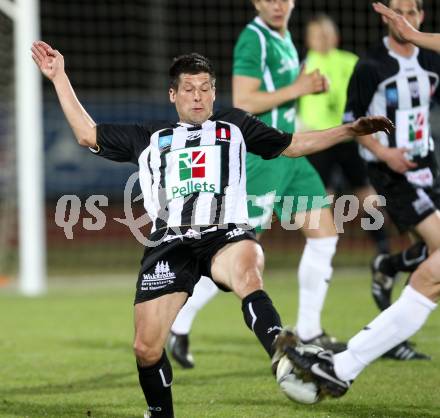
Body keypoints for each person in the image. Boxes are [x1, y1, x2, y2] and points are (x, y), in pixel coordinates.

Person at [31, 40, 391, 417]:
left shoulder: (234, 125)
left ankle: (283, 351)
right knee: (146, 348)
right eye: (188, 89)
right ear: (173, 95)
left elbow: (295, 144)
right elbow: (88, 134)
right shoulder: (149, 137)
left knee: (248, 268)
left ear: (215, 93)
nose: (198, 97)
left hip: (226, 231)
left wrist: (350, 130)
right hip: (170, 243)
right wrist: (59, 77)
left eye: (205, 88)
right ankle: (159, 413)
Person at [169, 0, 346, 369]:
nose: (277, 5)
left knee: (325, 233)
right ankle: (177, 324)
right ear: (256, 3)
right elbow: (244, 100)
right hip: (261, 160)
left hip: (289, 155)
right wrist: (299, 87)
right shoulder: (254, 39)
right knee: (238, 254)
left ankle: (310, 330)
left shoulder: (283, 38)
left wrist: (302, 91)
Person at [346, 0, 440, 361]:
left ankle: (389, 266)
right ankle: (388, 338)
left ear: (421, 17)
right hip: (389, 170)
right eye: (398, 11)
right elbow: (352, 121)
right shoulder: (370, 65)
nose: (405, 19)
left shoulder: (430, 60)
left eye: (412, 12)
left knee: (431, 258)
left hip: (426, 165)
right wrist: (385, 153)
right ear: (386, 18)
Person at [299, 14, 390, 255]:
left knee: (365, 191)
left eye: (327, 33)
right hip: (318, 139)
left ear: (336, 36)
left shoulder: (351, 61)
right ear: (309, 40)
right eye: (317, 35)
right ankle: (325, 247)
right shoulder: (302, 66)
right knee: (322, 196)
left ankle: (382, 245)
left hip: (350, 135)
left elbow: (372, 94)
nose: (323, 38)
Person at [373, 1, 440, 52]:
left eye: (411, 13)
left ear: (421, 16)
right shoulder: (368, 63)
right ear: (385, 17)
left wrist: (413, 35)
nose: (404, 19)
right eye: (397, 12)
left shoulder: (436, 57)